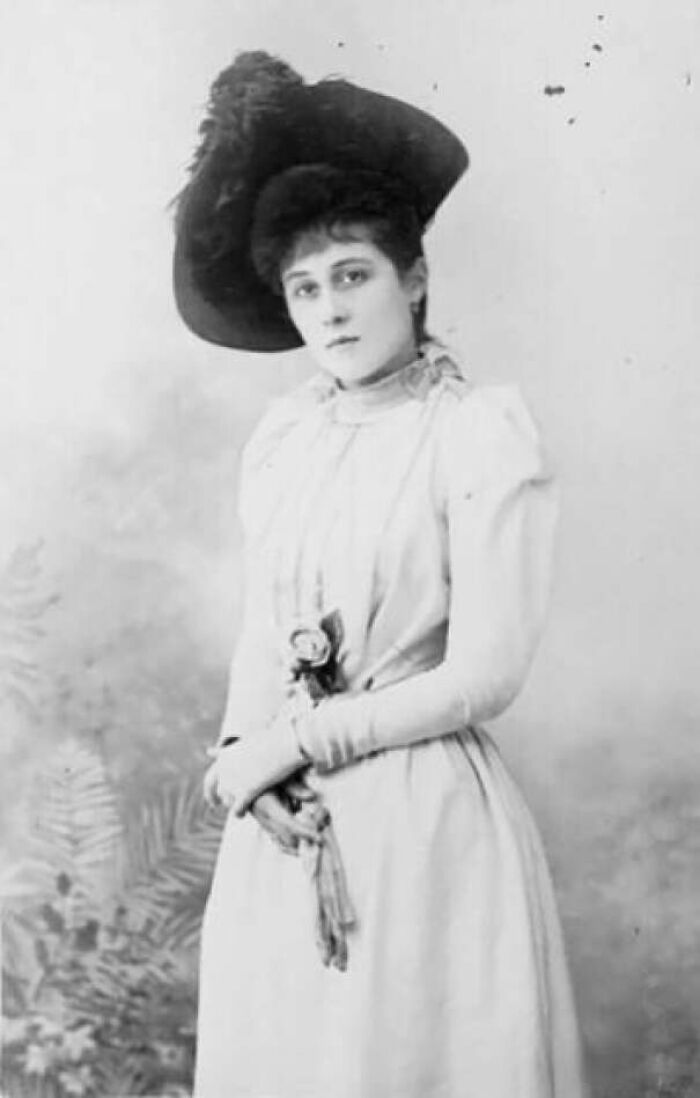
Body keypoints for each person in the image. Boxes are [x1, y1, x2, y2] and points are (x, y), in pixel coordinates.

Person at [173, 49, 588, 1098]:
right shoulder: (284, 440)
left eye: (352, 275)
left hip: (423, 827)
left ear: (411, 277)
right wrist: (240, 758)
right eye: (304, 288)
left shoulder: (480, 434)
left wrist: (291, 742)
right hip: (285, 826)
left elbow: (486, 673)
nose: (330, 310)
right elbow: (265, 633)